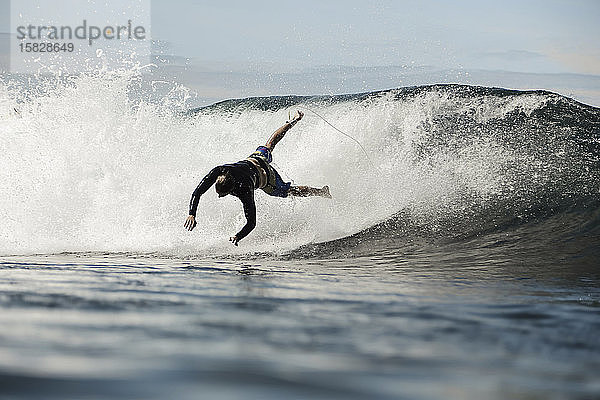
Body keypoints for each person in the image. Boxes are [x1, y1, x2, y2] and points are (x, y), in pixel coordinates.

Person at [184, 110, 331, 245]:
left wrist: (238, 236)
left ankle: (321, 192)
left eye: (223, 194)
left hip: (267, 178)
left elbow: (252, 223)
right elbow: (197, 192)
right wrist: (192, 214)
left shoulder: (245, 191)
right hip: (255, 159)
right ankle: (294, 120)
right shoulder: (219, 171)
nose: (220, 197)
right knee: (270, 144)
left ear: (232, 189)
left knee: (289, 191)